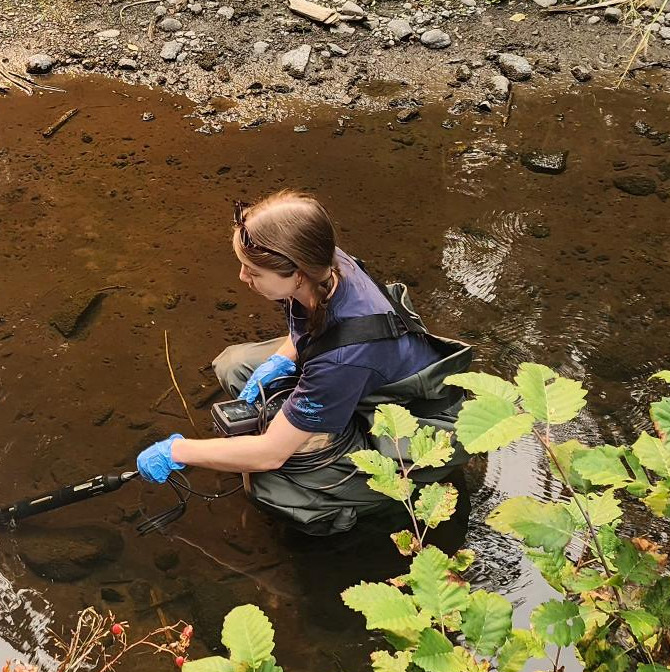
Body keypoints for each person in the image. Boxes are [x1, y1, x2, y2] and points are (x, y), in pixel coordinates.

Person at [136, 190, 473, 535]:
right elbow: (314, 330)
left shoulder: (342, 360)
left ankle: (368, 503)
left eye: (253, 271)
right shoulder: (321, 262)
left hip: (416, 422)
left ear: (297, 273)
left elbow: (270, 454)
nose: (242, 278)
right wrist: (282, 360)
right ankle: (319, 429)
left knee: (272, 487)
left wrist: (177, 451)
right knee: (235, 365)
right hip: (360, 377)